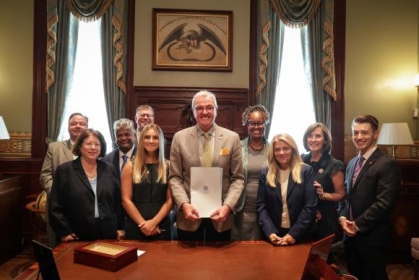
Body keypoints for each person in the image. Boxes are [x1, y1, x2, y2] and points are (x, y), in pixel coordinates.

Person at [169, 90, 244, 241]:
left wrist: (228, 206)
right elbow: (175, 178)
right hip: (189, 214)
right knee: (188, 262)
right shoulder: (179, 138)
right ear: (194, 112)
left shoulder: (232, 138)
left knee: (219, 262)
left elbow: (238, 179)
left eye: (209, 107)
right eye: (199, 108)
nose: (205, 112)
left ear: (216, 110)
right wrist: (184, 204)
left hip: (221, 216)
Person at [338, 115, 401, 280]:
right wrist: (343, 218)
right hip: (350, 238)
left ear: (376, 134)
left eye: (364, 132)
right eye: (355, 132)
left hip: (372, 238)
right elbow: (346, 197)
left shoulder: (387, 164)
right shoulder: (351, 163)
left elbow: (384, 204)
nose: (359, 137)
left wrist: (357, 225)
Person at [49, 129, 125, 242]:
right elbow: (55, 206)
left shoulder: (109, 169)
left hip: (107, 233)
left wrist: (120, 227)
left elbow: (117, 202)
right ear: (80, 147)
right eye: (88, 144)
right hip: (76, 235)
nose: (93, 147)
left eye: (97, 144)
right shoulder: (65, 170)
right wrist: (65, 232)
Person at [256, 133, 317, 245]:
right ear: (273, 153)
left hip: (300, 235)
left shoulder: (306, 171)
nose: (281, 153)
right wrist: (270, 232)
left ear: (293, 150)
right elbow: (261, 206)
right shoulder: (265, 173)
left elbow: (309, 206)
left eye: (286, 148)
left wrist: (294, 234)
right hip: (274, 234)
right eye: (277, 149)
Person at [39, 112, 88, 247]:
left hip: (84, 212)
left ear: (87, 127)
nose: (77, 126)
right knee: (56, 252)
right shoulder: (54, 148)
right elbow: (45, 175)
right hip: (58, 212)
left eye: (82, 123)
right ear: (68, 127)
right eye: (73, 123)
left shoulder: (93, 148)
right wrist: (57, 194)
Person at [121, 124, 173, 240]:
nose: (151, 141)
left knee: (164, 258)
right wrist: (144, 224)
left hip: (161, 222)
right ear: (141, 140)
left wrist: (154, 223)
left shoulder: (168, 166)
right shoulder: (130, 167)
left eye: (155, 137)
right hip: (136, 223)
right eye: (147, 137)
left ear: (160, 141)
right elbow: (126, 200)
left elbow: (170, 200)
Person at [232, 104, 270, 240]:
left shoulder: (274, 149)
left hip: (266, 207)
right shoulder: (237, 147)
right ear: (246, 124)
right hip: (241, 207)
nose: (256, 127)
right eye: (252, 123)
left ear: (265, 124)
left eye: (260, 123)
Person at [301, 123, 345, 242]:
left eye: (318, 136)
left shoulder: (334, 165)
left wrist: (323, 194)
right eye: (310, 136)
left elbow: (340, 194)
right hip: (303, 218)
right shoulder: (301, 160)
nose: (313, 140)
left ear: (325, 140)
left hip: (325, 221)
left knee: (323, 259)